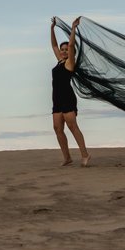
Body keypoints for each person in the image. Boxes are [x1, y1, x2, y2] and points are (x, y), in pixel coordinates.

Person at [50, 16, 91, 167]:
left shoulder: (69, 63)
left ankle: (85, 155)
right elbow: (54, 45)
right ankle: (67, 157)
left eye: (66, 50)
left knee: (73, 127)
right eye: (63, 49)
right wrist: (52, 29)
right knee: (57, 128)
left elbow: (72, 44)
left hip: (67, 98)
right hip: (56, 99)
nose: (64, 51)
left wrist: (73, 29)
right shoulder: (59, 61)